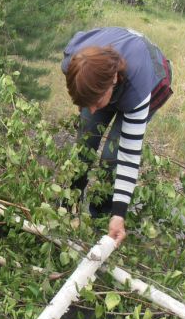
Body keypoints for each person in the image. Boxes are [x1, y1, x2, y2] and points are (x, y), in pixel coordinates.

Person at [61, 27, 173, 246]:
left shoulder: (137, 91)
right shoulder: (73, 64)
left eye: (97, 103)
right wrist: (90, 103)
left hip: (153, 78)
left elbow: (129, 156)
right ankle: (69, 206)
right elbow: (89, 105)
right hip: (109, 70)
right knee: (86, 139)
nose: (92, 110)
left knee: (111, 156)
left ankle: (100, 219)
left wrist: (119, 213)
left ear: (112, 83)